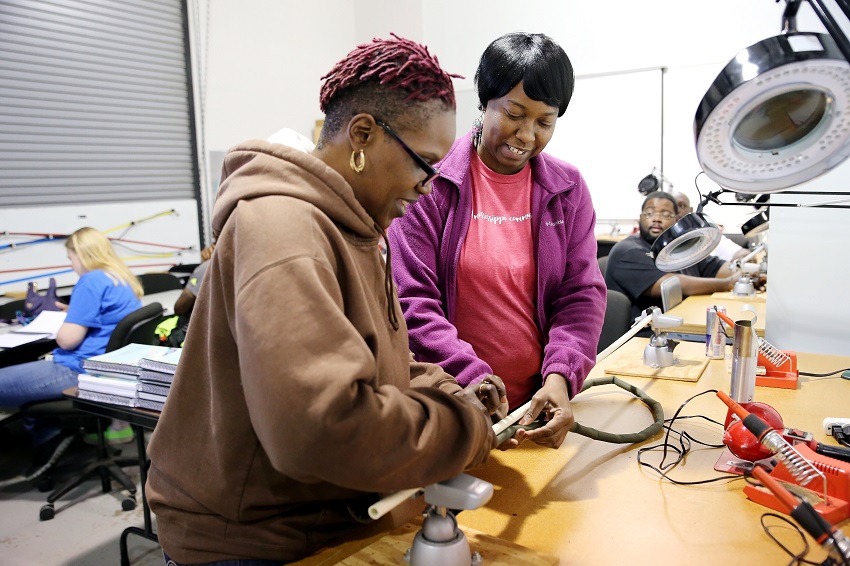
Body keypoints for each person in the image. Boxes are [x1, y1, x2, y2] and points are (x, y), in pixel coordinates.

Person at [145, 35, 508, 565]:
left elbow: (378, 357)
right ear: (363, 133)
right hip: (249, 540)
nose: (431, 186)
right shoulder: (283, 228)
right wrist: (463, 430)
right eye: (424, 164)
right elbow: (321, 426)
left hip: (321, 517)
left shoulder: (359, 227)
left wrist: (457, 390)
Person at [387, 32, 606, 451]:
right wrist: (474, 380)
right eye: (514, 113)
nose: (526, 135)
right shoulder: (430, 181)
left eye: (545, 121)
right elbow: (411, 302)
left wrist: (560, 378)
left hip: (538, 406)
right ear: (486, 101)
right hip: (453, 403)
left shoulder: (567, 188)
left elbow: (581, 295)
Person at [0, 227, 142, 444]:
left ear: (83, 254)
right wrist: (73, 311)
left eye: (71, 258)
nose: (71, 264)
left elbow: (67, 341)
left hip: (77, 368)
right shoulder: (121, 278)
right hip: (107, 366)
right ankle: (52, 434)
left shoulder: (90, 280)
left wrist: (62, 324)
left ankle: (51, 438)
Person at [605, 192, 740, 319]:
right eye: (649, 213)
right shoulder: (628, 251)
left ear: (676, 220)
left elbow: (718, 268)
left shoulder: (683, 247)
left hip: (686, 320)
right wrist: (727, 284)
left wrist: (742, 272)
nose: (656, 219)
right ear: (640, 218)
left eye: (666, 214)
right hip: (647, 335)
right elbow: (670, 284)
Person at [672, 191, 749, 262]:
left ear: (691, 210)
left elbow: (744, 253)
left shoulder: (707, 236)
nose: (677, 211)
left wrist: (729, 268)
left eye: (681, 206)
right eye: (673, 207)